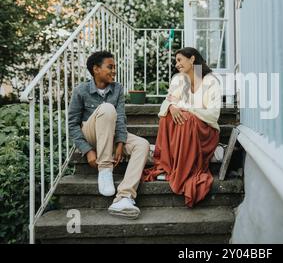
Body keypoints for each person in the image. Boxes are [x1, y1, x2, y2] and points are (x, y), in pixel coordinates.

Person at [68, 51, 150, 219]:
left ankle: (124, 197)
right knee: (106, 108)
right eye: (110, 67)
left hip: (111, 136)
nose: (114, 71)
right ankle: (105, 169)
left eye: (114, 67)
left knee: (142, 144)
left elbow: (120, 118)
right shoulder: (81, 90)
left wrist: (120, 143)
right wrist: (88, 150)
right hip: (91, 135)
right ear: (96, 69)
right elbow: (72, 125)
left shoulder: (117, 88)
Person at [142, 47, 222, 207]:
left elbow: (213, 115)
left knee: (186, 117)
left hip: (206, 131)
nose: (176, 64)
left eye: (179, 60)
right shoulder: (179, 79)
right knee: (168, 116)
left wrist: (187, 109)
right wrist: (172, 106)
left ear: (192, 59)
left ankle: (183, 170)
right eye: (175, 61)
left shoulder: (211, 81)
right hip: (186, 126)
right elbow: (167, 102)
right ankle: (169, 166)